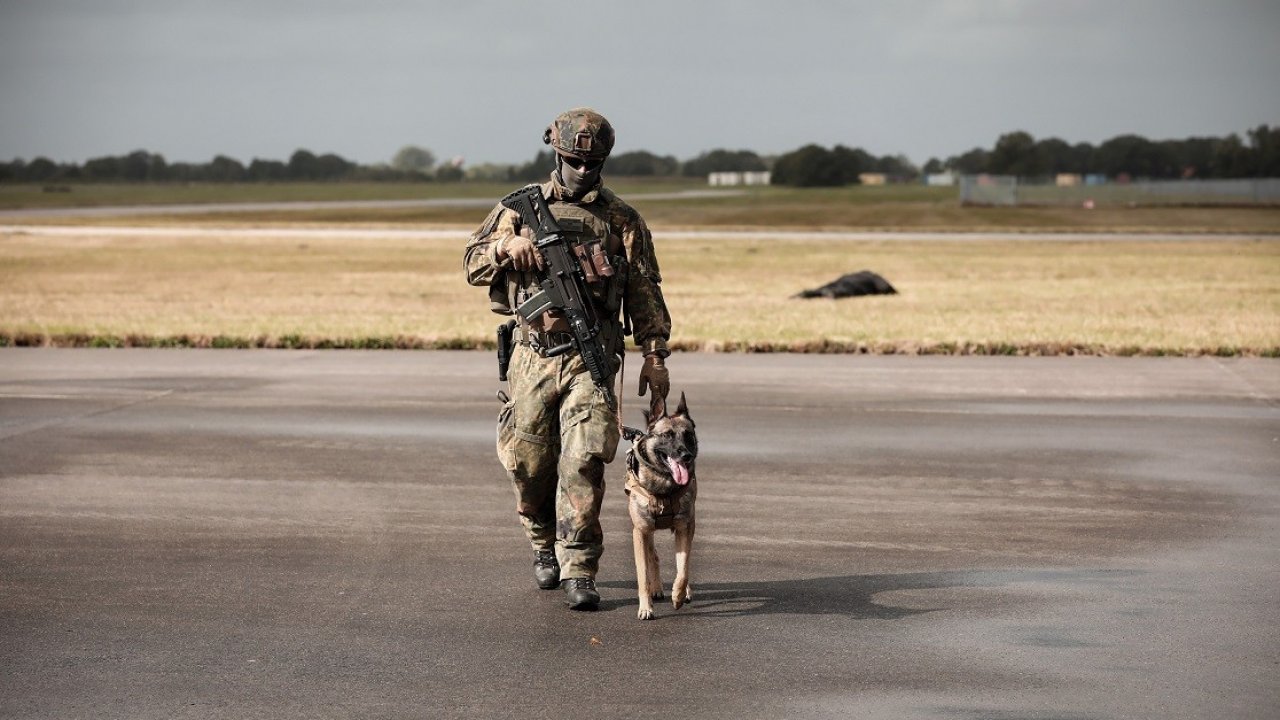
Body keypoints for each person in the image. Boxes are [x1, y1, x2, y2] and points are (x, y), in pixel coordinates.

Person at [464, 107, 672, 610]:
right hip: (533, 357)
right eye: (573, 160)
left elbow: (644, 293)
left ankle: (580, 568)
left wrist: (655, 354)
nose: (583, 170)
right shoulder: (518, 209)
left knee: (583, 461)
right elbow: (471, 263)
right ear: (556, 153)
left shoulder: (622, 220)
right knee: (529, 464)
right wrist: (506, 247)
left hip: (591, 356)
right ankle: (542, 543)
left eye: (593, 162)